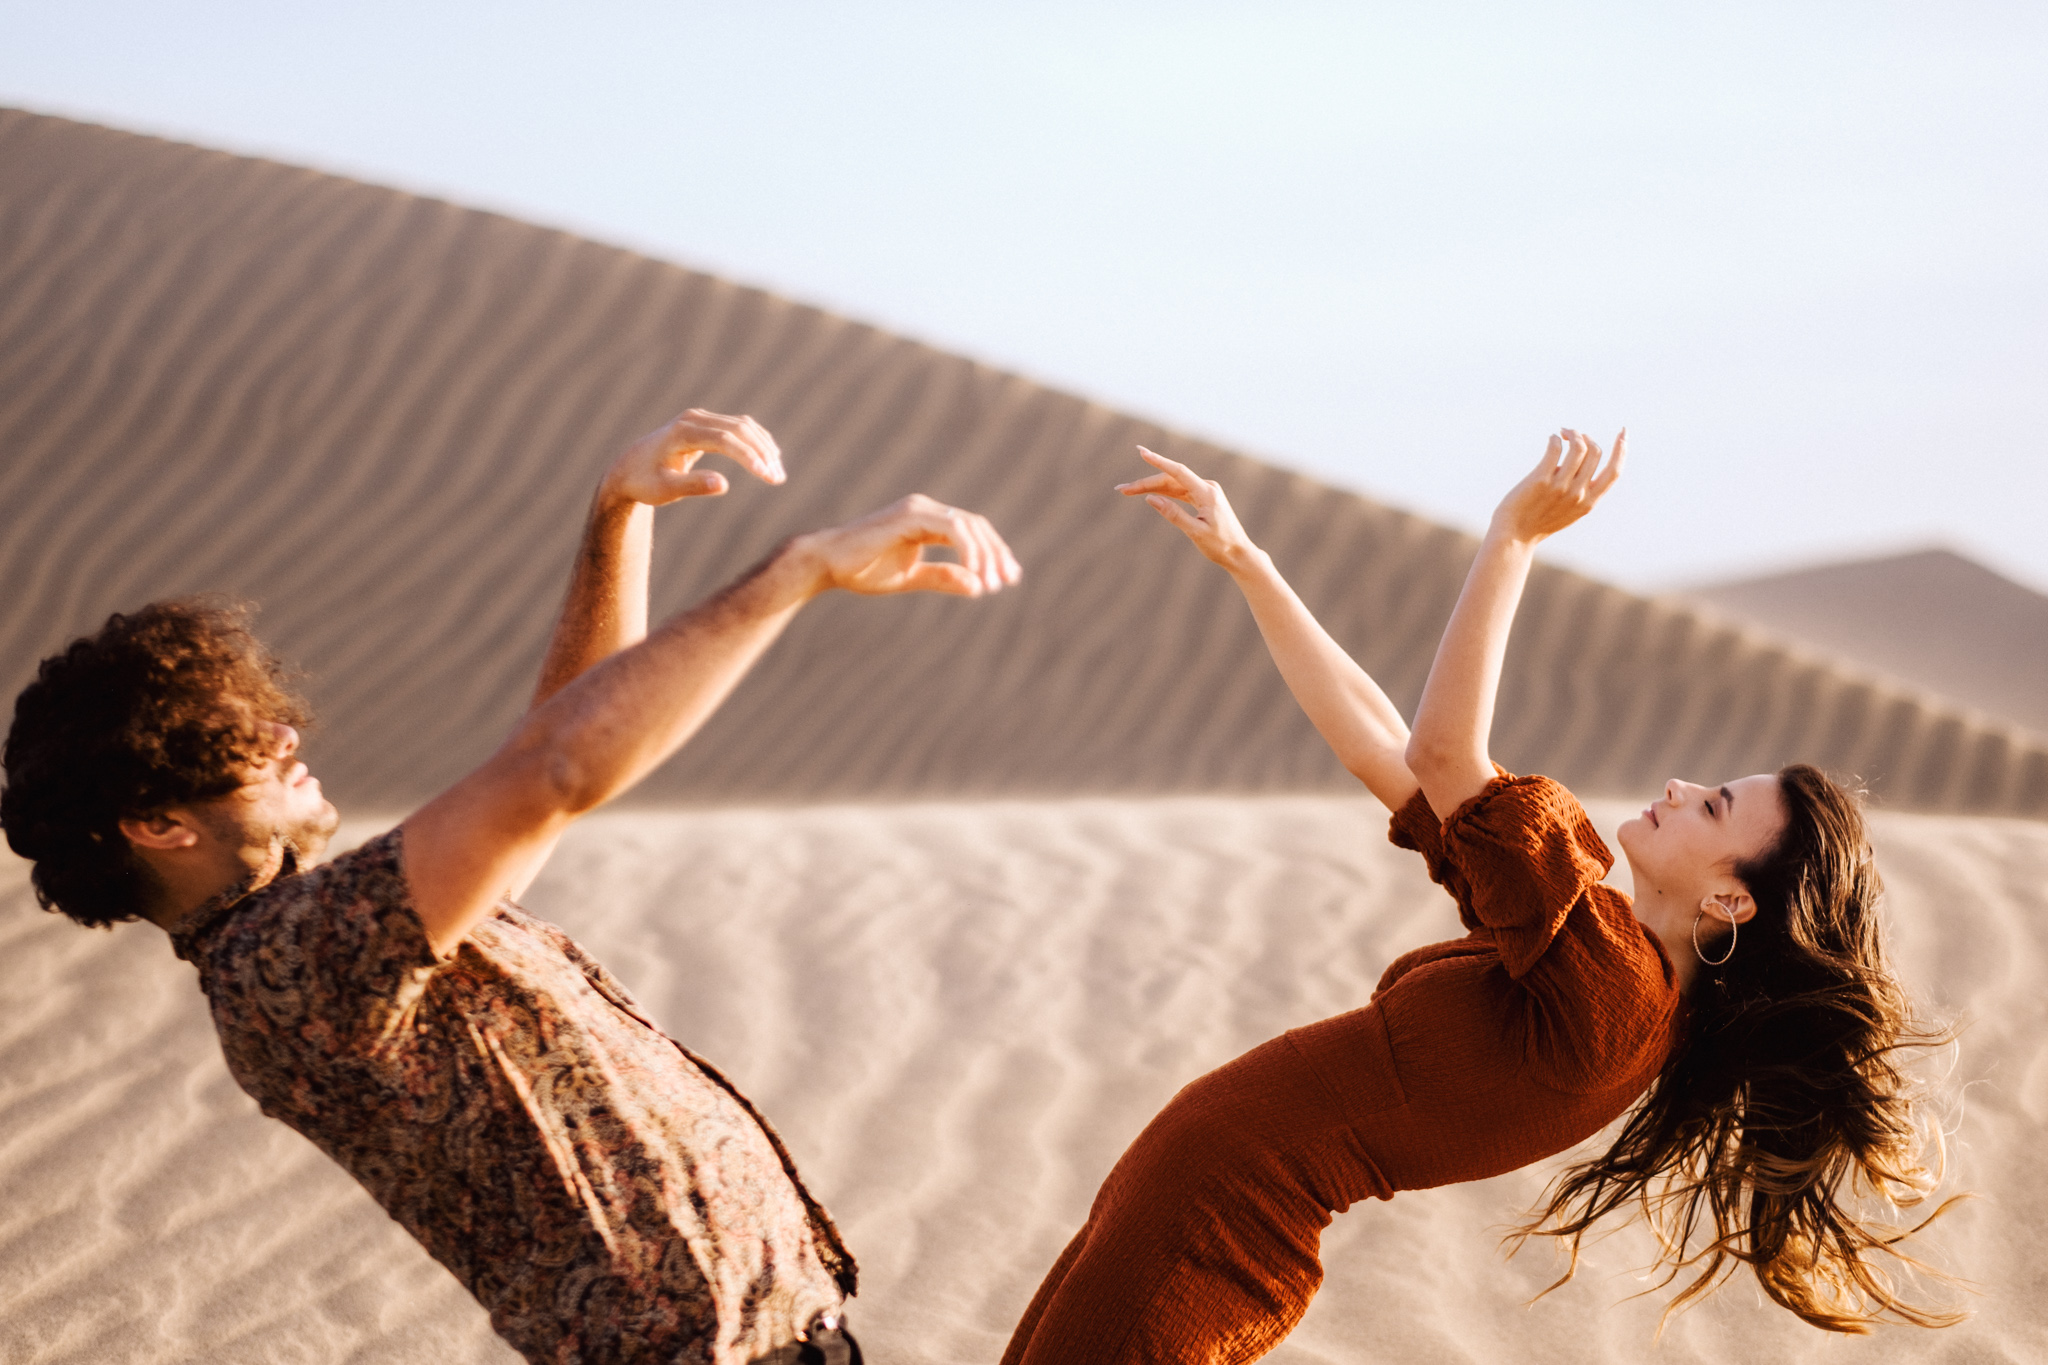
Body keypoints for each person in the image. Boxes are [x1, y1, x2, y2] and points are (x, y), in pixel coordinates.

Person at [1, 407, 1022, 1365]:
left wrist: (616, 517)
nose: (285, 734)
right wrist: (795, 573)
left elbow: (555, 747)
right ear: (158, 824)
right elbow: (558, 771)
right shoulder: (296, 963)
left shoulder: (335, 927)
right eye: (234, 741)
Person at [1000, 430, 1958, 1363]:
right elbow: (1389, 750)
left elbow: (1445, 753)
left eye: (1713, 805)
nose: (1677, 786)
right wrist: (1250, 562)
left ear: (1735, 903)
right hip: (1182, 1216)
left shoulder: (1615, 999)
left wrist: (1513, 537)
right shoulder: (1585, 946)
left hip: (1207, 1239)